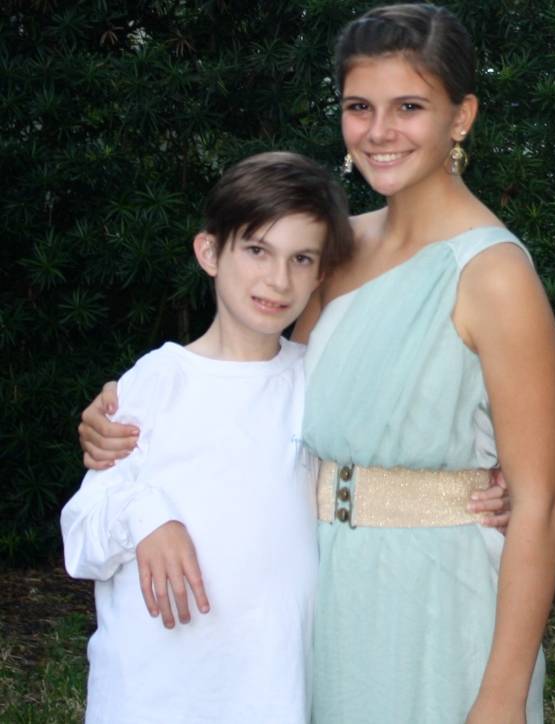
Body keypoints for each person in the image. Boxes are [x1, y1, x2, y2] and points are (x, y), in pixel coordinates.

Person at [78, 4, 555, 723]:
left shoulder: (494, 273)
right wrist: (121, 415)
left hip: (440, 596)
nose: (379, 131)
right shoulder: (335, 249)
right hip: (328, 595)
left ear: (461, 116)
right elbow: (271, 387)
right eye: (359, 106)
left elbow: (543, 504)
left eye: (410, 107)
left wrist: (499, 697)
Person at [61, 151, 355, 724]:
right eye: (256, 250)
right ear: (209, 252)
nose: (277, 279)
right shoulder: (155, 381)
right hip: (151, 695)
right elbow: (81, 535)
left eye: (301, 259)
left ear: (320, 274)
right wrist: (148, 517)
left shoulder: (318, 382)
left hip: (271, 693)